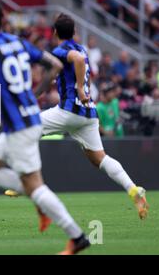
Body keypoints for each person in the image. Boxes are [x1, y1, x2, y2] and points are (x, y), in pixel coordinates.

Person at [0, 2, 89, 255]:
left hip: (18, 127)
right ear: (3, 21)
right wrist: (35, 92)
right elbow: (56, 66)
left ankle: (77, 236)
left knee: (35, 186)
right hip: (27, 119)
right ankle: (37, 199)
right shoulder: (19, 42)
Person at [39, 14, 147, 219]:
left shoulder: (62, 51)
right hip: (88, 113)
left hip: (69, 111)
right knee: (99, 158)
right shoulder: (82, 49)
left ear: (55, 32)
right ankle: (133, 189)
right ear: (74, 33)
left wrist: (79, 88)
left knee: (25, 129)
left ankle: (24, 183)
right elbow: (76, 63)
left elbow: (76, 62)